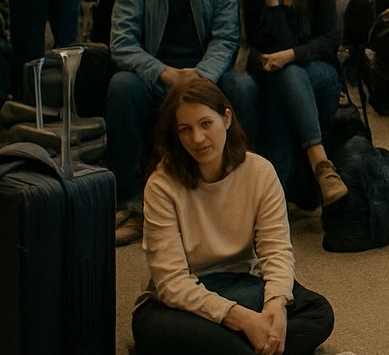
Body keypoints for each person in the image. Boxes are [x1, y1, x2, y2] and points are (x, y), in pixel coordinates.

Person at [131, 77, 335, 355]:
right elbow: (172, 283)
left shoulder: (259, 171)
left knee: (318, 313)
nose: (198, 138)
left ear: (226, 118)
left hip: (242, 284)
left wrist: (275, 304)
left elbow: (275, 251)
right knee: (156, 329)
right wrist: (242, 319)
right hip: (181, 299)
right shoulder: (161, 185)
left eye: (206, 123)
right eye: (185, 130)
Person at [107, 0, 258, 245]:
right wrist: (165, 73)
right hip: (155, 75)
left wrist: (199, 77)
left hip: (207, 77)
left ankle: (243, 190)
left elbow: (226, 37)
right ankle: (130, 201)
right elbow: (121, 43)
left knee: (245, 88)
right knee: (121, 87)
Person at [242, 0, 348, 207]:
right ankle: (284, 193)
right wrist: (264, 56)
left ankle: (318, 161)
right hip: (273, 70)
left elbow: (330, 39)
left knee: (288, 73)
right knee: (279, 87)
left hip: (319, 69)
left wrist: (289, 54)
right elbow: (245, 43)